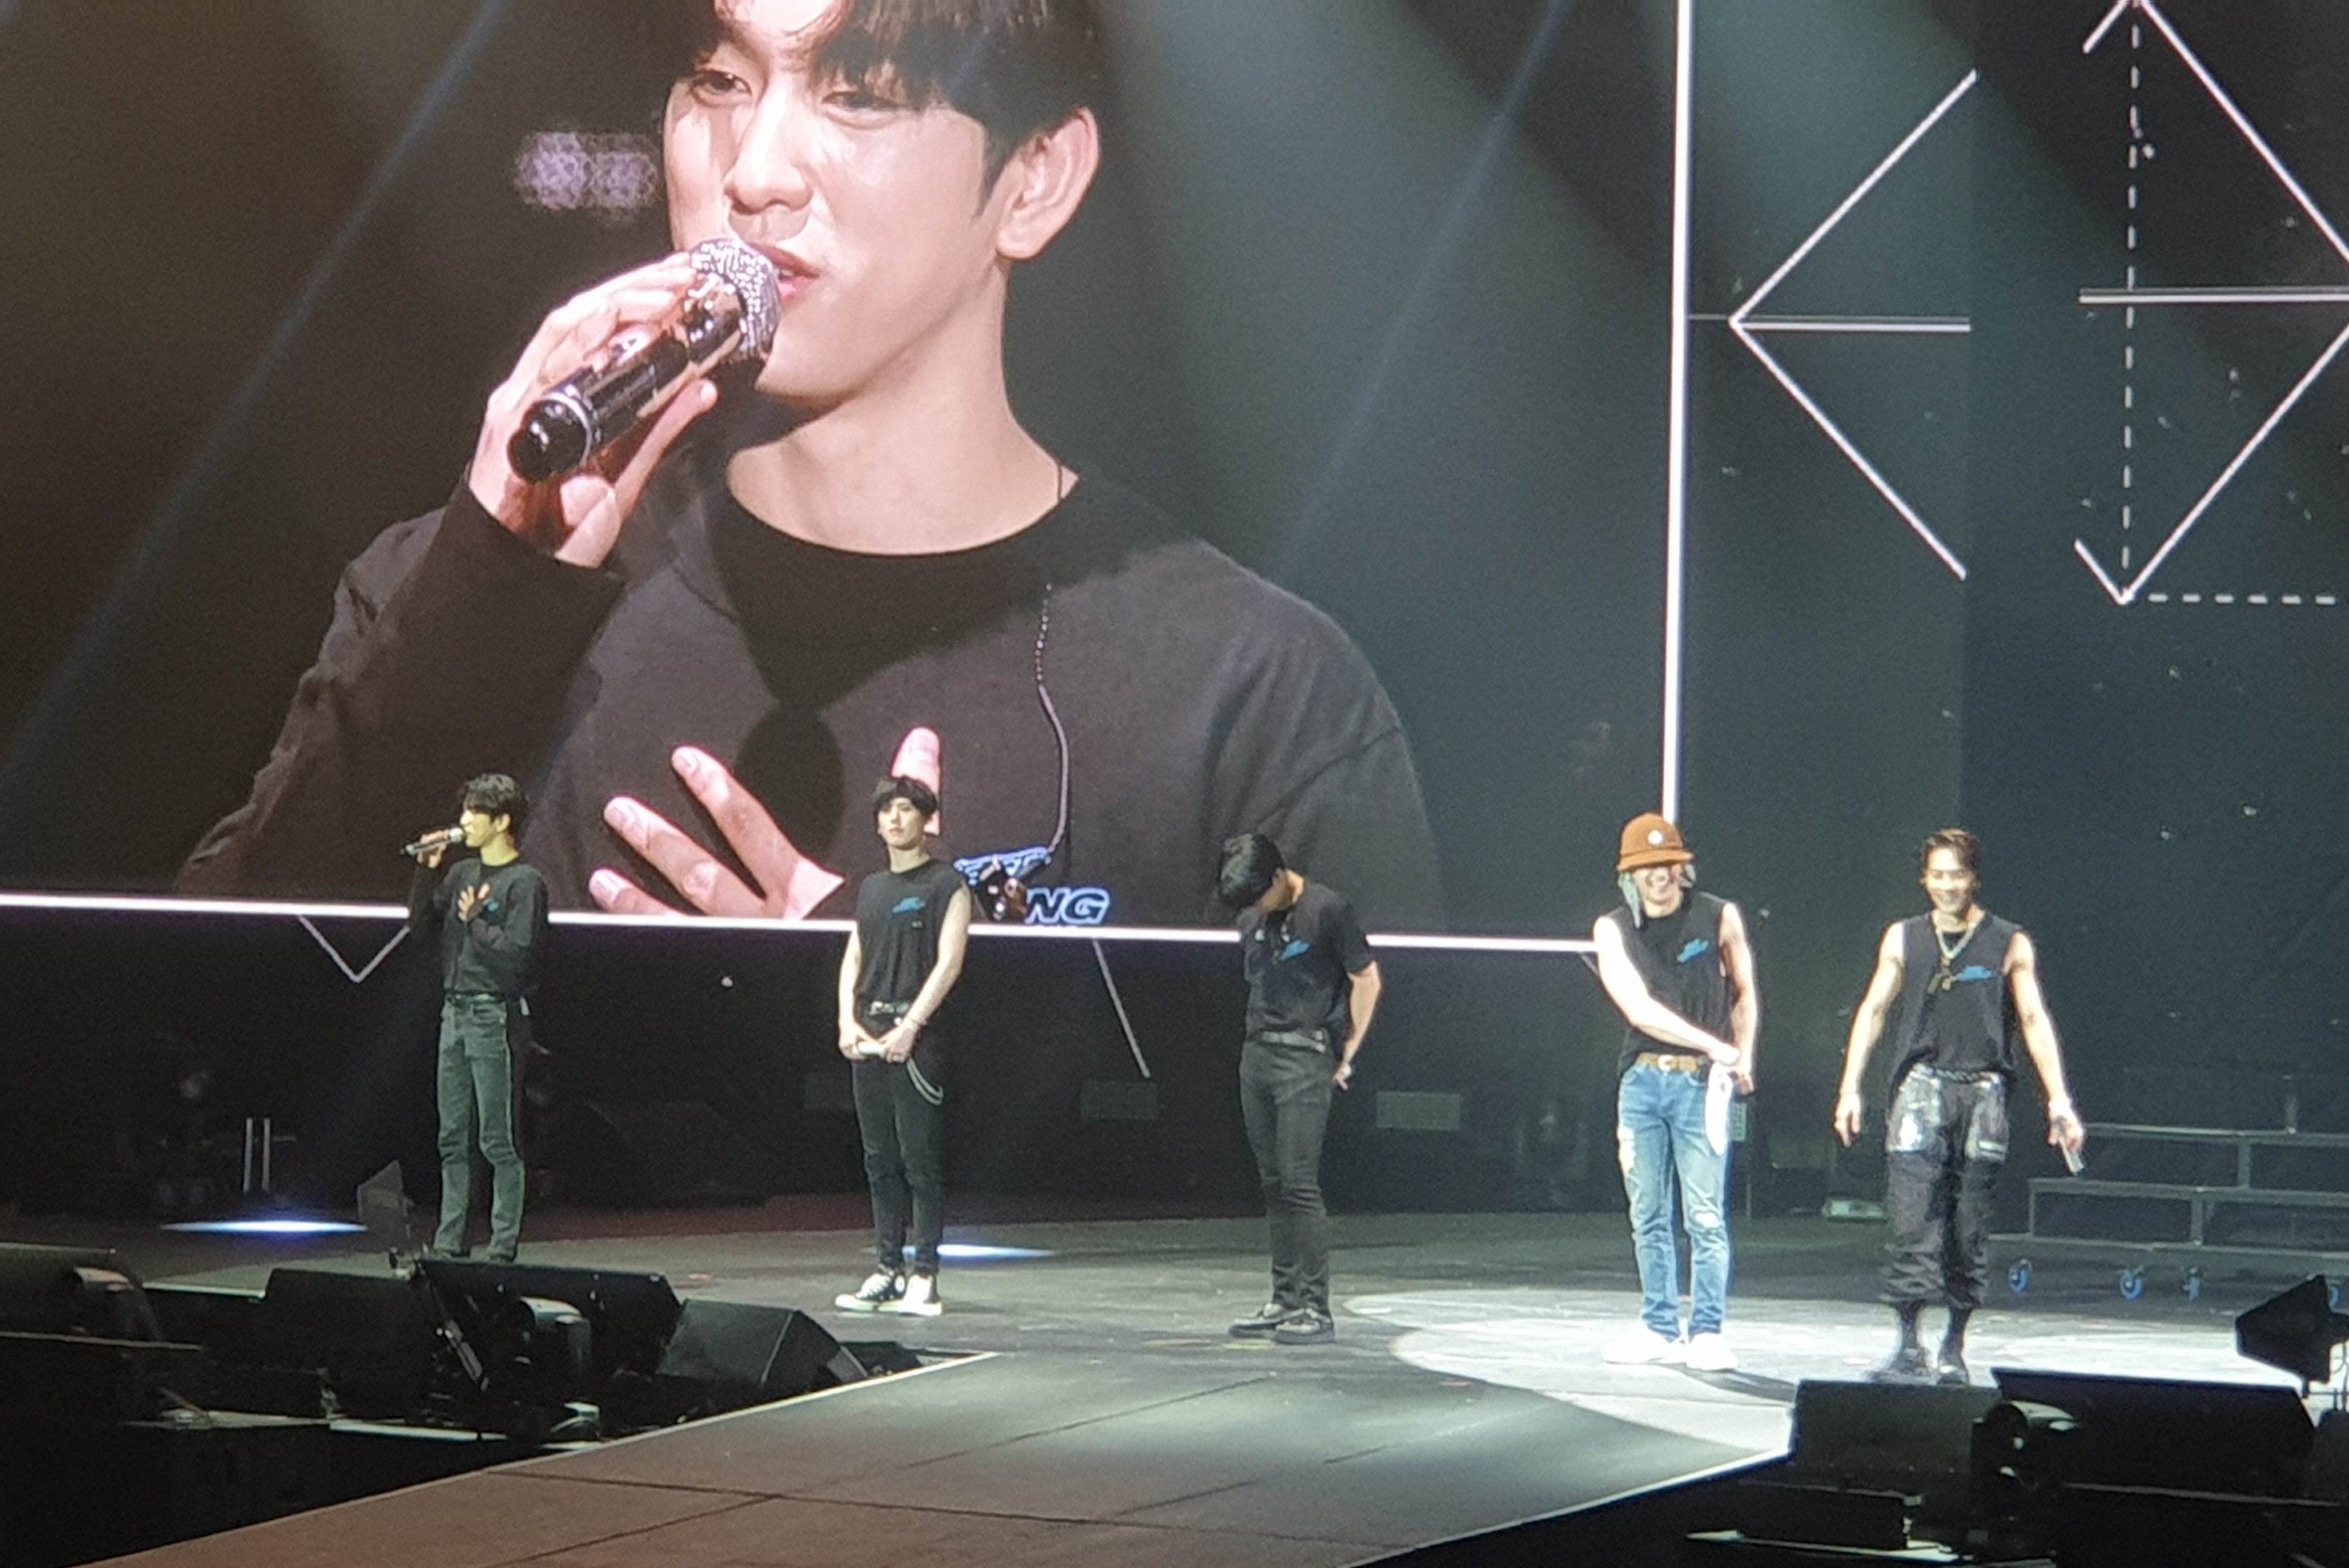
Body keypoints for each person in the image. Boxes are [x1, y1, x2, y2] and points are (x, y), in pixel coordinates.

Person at [178, 0, 1441, 932]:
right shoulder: (465, 593)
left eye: (859, 95)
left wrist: (909, 1018)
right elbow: (183, 1047)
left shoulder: (1249, 700)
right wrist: (481, 591)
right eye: (718, 81)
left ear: (1034, 181)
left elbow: (1383, 1164)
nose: (756, 173)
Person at [1833, 829, 2084, 1384]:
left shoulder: (2008, 942)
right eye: (1938, 875)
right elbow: (1874, 1010)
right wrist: (1851, 1087)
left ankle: (1954, 1347)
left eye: (1957, 875)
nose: (1947, 885)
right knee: (1911, 1220)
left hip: (1984, 1093)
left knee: (1968, 1225)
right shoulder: (1903, 938)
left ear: (1974, 878)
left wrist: (2059, 1099)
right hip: (1921, 1089)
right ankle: (1908, 1344)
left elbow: (2034, 1019)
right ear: (1925, 878)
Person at [1592, 813, 1756, 1372]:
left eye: (1667, 865)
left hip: (1701, 1084)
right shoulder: (1613, 928)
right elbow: (1638, 1010)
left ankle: (1707, 1330)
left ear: (1683, 867)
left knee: (1705, 1214)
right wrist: (1716, 1045)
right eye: (1647, 868)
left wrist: (1742, 1053)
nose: (1659, 876)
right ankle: (1659, 1327)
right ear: (1629, 876)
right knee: (1648, 1212)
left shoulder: (1718, 915)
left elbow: (1744, 991)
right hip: (1642, 1081)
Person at [1217, 833, 1381, 1346]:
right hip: (1257, 1052)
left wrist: (1347, 1051)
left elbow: (1367, 978)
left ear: (1277, 877)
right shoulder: (1252, 916)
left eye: (1258, 898)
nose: (1254, 910)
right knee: (1273, 1183)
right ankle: (1284, 1296)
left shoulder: (1327, 909)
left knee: (1298, 1182)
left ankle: (1315, 1306)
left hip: (1306, 1056)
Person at [833, 774, 972, 1319]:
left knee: (920, 1161)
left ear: (925, 819)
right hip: (869, 1035)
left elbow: (950, 962)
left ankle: (925, 1276)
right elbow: (854, 956)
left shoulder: (946, 884)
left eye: (907, 809)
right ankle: (887, 1269)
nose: (895, 818)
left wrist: (912, 1024)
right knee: (878, 1160)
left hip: (918, 1039)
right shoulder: (871, 888)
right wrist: (847, 1021)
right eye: (887, 810)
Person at [408, 771, 549, 1262]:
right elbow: (419, 927)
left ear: (502, 821)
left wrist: (478, 924)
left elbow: (518, 959)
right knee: (452, 1137)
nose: (464, 820)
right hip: (454, 1012)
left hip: (495, 1014)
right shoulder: (461, 875)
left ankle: (503, 1241)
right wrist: (427, 872)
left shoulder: (525, 883)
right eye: (465, 810)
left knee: (498, 1137)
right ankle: (450, 1240)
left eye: (474, 812)